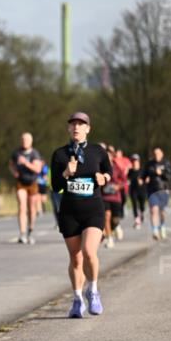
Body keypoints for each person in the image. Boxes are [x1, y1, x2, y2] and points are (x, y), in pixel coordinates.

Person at [49, 112, 111, 318]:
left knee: (89, 252)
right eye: (73, 124)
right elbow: (55, 186)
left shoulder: (98, 151)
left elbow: (108, 173)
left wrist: (104, 178)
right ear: (68, 129)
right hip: (69, 212)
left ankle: (93, 290)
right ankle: (77, 300)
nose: (76, 127)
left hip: (93, 209)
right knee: (75, 258)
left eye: (81, 124)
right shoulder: (59, 155)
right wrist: (66, 172)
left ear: (88, 129)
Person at [10, 132, 44, 244]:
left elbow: (37, 169)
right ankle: (22, 233)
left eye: (27, 140)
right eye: (23, 140)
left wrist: (26, 163)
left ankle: (30, 230)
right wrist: (14, 171)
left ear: (31, 141)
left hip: (32, 183)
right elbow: (11, 164)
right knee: (22, 207)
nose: (25, 142)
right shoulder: (17, 153)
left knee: (32, 208)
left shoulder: (35, 154)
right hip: (21, 183)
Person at [144, 147, 171, 241]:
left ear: (162, 154)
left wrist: (161, 173)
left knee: (162, 212)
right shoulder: (149, 164)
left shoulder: (166, 163)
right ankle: (155, 231)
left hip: (163, 190)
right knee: (154, 210)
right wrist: (142, 178)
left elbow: (170, 177)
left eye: (158, 153)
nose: (156, 155)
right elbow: (144, 173)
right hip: (152, 191)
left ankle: (162, 226)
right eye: (155, 153)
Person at [101, 146, 127, 249]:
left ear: (112, 157)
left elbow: (124, 181)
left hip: (116, 197)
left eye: (109, 156)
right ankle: (110, 239)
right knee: (106, 216)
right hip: (104, 197)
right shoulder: (100, 168)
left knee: (115, 219)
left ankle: (116, 226)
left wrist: (118, 186)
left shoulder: (117, 168)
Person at [128, 153, 147, 228]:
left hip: (142, 190)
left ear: (139, 161)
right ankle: (137, 221)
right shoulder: (130, 171)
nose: (134, 162)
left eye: (136, 161)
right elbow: (127, 178)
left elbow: (147, 178)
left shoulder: (143, 170)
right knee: (134, 205)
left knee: (142, 205)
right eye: (133, 161)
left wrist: (143, 180)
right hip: (133, 190)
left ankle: (142, 213)